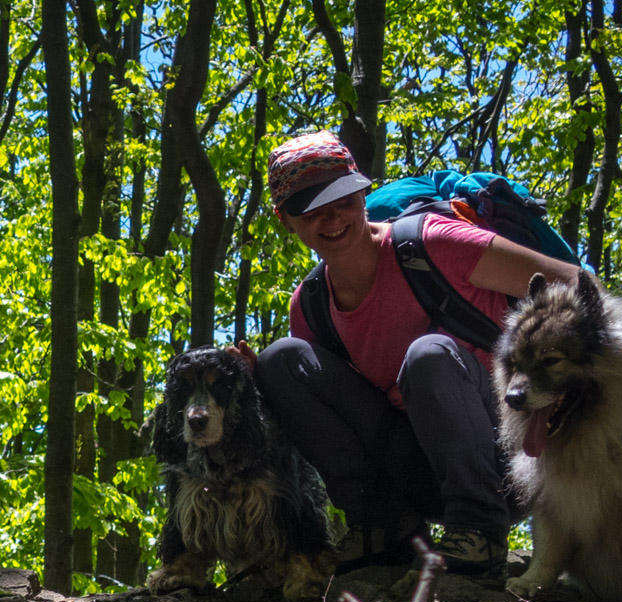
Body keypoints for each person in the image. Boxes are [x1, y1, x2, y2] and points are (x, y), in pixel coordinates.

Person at [242, 132, 582, 574]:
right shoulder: (310, 305)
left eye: (344, 199)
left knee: (430, 354)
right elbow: (336, 413)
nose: (333, 218)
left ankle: (479, 528)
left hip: (512, 456)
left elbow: (575, 285)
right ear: (286, 220)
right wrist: (258, 383)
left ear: (363, 191)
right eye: (311, 209)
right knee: (280, 360)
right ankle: (383, 527)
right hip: (416, 470)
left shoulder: (434, 243)